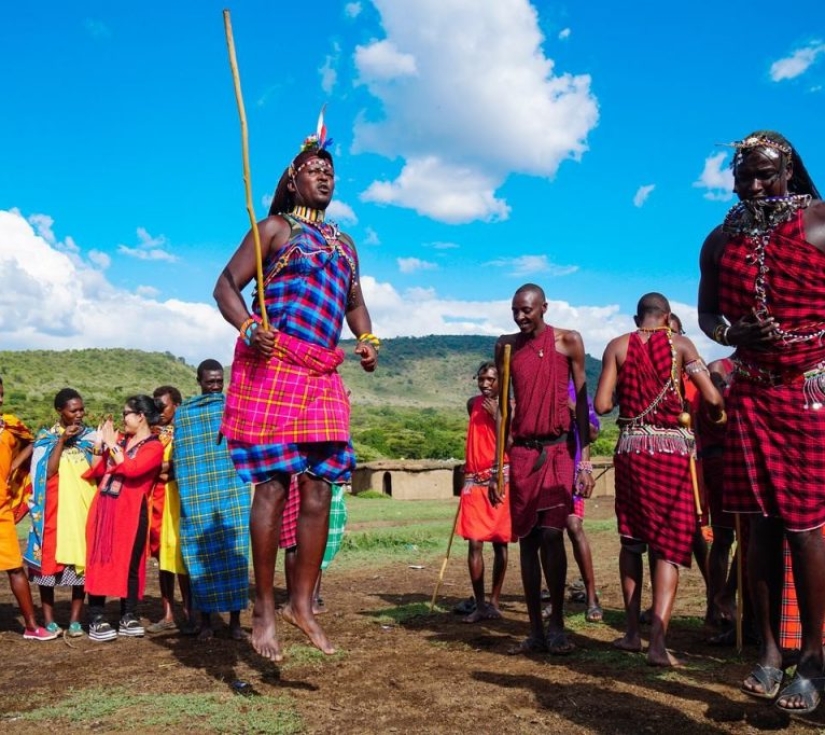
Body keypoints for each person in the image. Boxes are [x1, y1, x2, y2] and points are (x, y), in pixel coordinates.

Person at [214, 120, 378, 662]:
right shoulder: (273, 230)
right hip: (275, 362)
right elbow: (225, 286)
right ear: (293, 178)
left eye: (330, 170)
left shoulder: (345, 243)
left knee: (320, 487)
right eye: (315, 169)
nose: (325, 176)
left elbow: (354, 302)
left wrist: (366, 337)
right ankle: (264, 606)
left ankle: (301, 603)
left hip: (322, 373)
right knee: (273, 487)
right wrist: (246, 326)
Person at [697, 130, 825, 712]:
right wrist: (732, 333)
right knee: (759, 526)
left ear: (789, 170)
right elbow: (706, 314)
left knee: (805, 526)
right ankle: (770, 653)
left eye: (765, 174)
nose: (753, 184)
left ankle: (814, 660)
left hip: (809, 391)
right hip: (751, 395)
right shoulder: (720, 239)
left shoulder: (820, 222)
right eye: (743, 174)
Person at [595, 293, 724, 667]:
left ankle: (632, 634)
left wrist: (630, 391)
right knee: (667, 546)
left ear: (638, 317)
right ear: (667, 318)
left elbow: (603, 406)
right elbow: (713, 397)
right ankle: (658, 645)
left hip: (631, 449)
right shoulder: (680, 344)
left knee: (633, 541)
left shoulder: (617, 346)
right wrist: (714, 414)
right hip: (672, 453)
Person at [489, 283, 594, 655]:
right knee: (528, 542)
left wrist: (585, 458)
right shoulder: (505, 346)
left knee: (552, 534)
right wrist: (497, 466)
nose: (520, 317)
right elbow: (503, 407)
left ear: (544, 308)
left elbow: (582, 402)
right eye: (515, 310)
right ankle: (535, 630)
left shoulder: (569, 341)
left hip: (560, 450)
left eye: (527, 310)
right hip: (522, 454)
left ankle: (558, 625)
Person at [172, 360, 250, 641]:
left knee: (235, 556)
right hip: (198, 494)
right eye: (210, 382)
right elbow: (182, 455)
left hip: (232, 491)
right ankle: (205, 622)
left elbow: (246, 442)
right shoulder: (185, 415)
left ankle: (235, 622)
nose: (215, 386)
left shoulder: (234, 407)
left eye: (219, 381)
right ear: (199, 381)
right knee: (200, 554)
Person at [83, 395, 165, 642]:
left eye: (125, 413)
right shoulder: (119, 439)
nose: (122, 419)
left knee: (131, 561)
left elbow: (132, 469)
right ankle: (96, 617)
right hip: (106, 505)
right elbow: (97, 469)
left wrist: (113, 445)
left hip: (132, 509)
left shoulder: (154, 446)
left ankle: (128, 614)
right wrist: (100, 444)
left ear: (140, 416)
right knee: (100, 557)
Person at [24, 388, 97, 637]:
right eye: (73, 410)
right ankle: (50, 620)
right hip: (53, 513)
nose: (79, 414)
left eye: (81, 409)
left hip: (82, 511)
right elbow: (48, 472)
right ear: (60, 411)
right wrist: (62, 441)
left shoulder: (91, 437)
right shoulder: (46, 438)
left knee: (80, 566)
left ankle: (76, 620)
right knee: (48, 569)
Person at [455, 362, 513, 624]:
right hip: (474, 481)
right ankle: (479, 604)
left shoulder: (511, 406)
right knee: (474, 542)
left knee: (500, 542)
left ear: (502, 381)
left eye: (491, 379)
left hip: (500, 479)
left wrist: (498, 417)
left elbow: (512, 442)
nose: (485, 384)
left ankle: (495, 601)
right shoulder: (472, 404)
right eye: (481, 379)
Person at [0, 376, 56, 641]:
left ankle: (32, 626)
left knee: (14, 567)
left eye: (1, 394)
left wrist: (14, 465)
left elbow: (33, 443)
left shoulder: (9, 426)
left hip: (0, 509)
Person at [146, 385, 192, 634]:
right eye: (156, 407)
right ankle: (167, 614)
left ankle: (189, 612)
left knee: (182, 556)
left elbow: (186, 462)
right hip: (159, 500)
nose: (160, 411)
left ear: (177, 404)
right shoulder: (153, 433)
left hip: (181, 499)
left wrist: (164, 466)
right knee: (162, 557)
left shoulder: (187, 431)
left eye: (163, 406)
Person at [563, 379, 602, 623]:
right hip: (544, 468)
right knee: (548, 534)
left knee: (574, 527)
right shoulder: (537, 381)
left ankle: (591, 598)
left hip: (572, 470)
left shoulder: (577, 391)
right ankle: (555, 600)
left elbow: (594, 433)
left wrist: (570, 407)